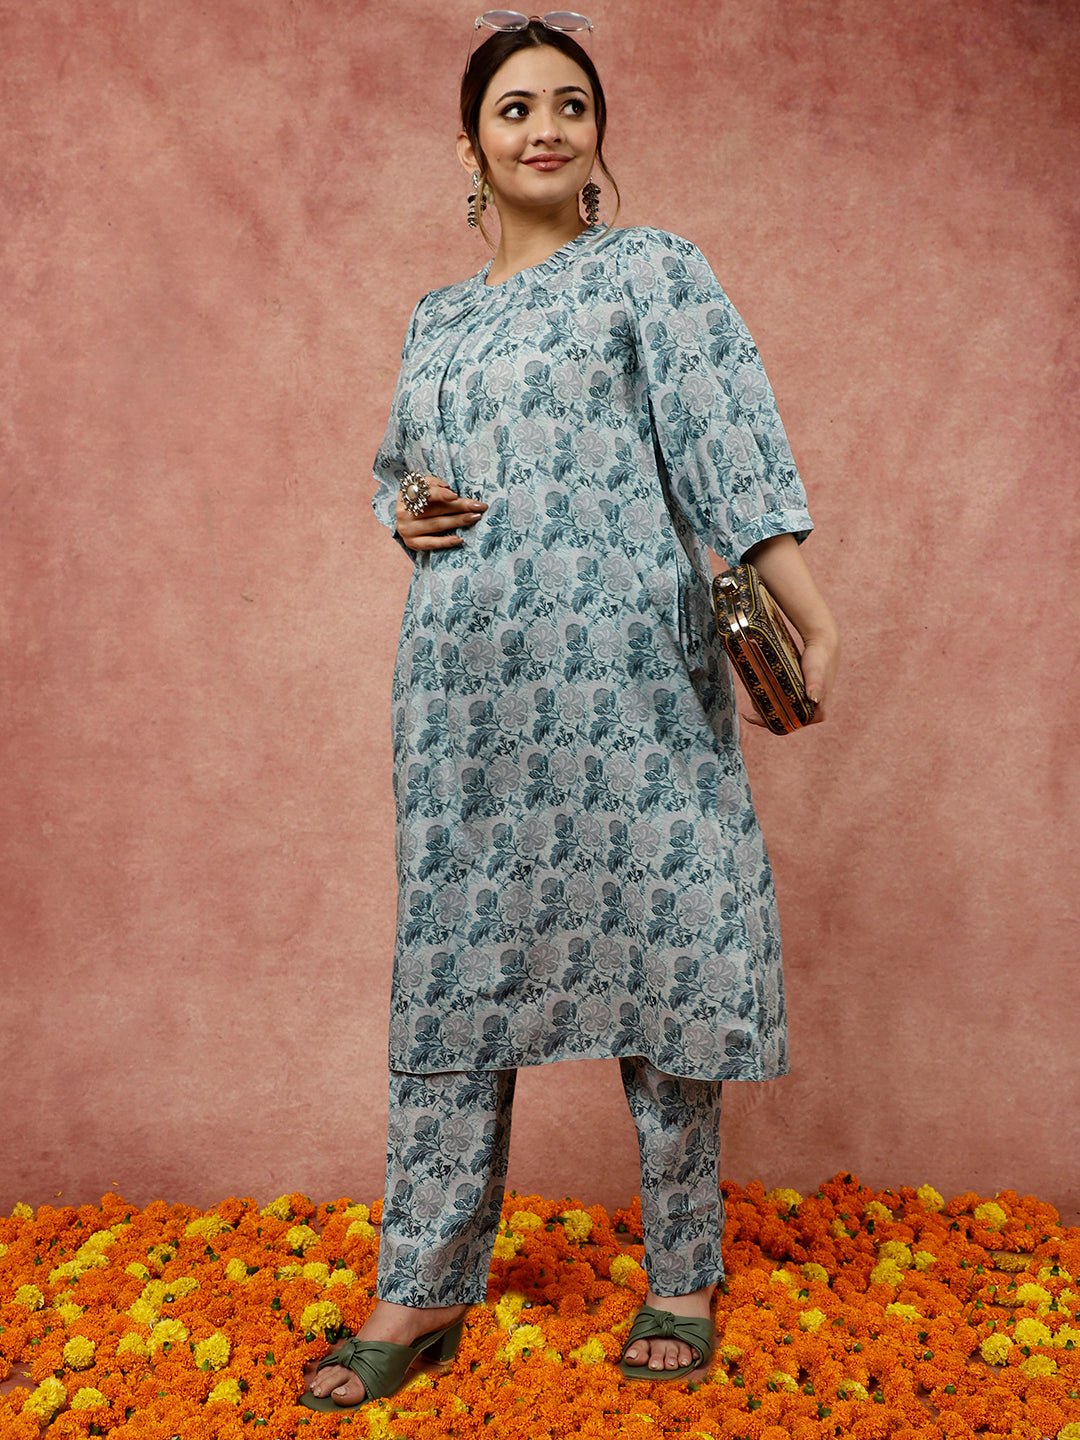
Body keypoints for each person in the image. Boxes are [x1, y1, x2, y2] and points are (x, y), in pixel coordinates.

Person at [303, 11, 840, 1413]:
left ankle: (683, 1272)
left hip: (629, 683)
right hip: (466, 695)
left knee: (664, 947)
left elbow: (726, 439)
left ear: (598, 134)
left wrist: (810, 607)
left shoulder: (651, 270)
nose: (545, 128)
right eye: (515, 108)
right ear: (470, 145)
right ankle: (422, 1286)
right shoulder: (437, 317)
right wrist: (402, 510)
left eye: (571, 105)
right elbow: (399, 467)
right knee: (452, 968)